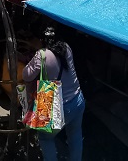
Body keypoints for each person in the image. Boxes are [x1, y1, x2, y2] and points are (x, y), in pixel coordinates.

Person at [23, 27, 85, 161]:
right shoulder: (67, 48)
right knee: (75, 134)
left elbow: (26, 75)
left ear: (42, 40)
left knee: (45, 138)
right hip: (77, 100)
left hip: (55, 105)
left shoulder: (42, 55)